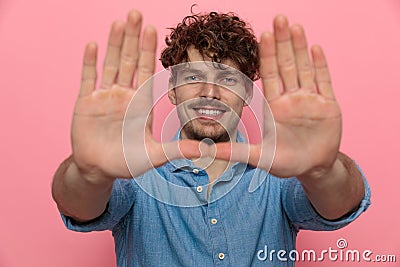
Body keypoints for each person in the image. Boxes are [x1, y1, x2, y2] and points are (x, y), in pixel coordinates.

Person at [52, 8, 371, 266]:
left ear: (246, 94)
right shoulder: (132, 173)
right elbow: (80, 205)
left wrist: (321, 171)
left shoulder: (278, 173)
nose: (209, 92)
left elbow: (339, 204)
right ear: (173, 92)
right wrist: (90, 174)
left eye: (228, 79)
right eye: (193, 77)